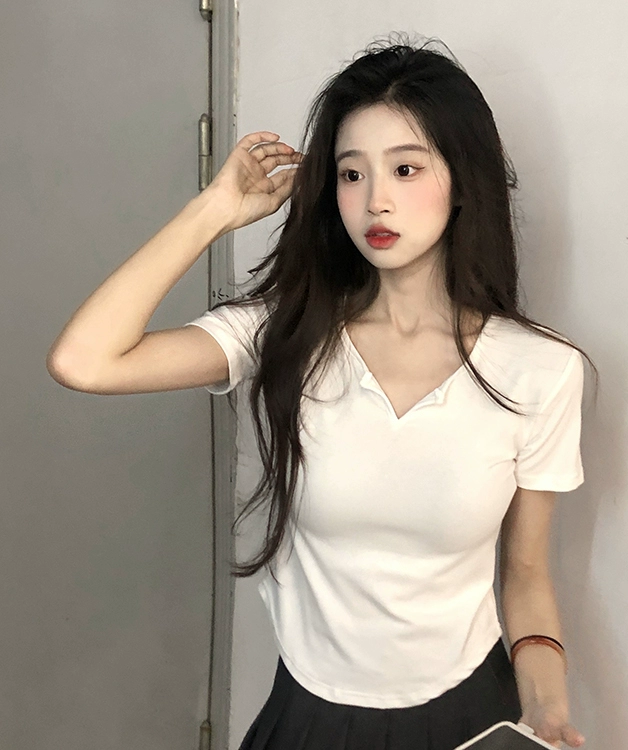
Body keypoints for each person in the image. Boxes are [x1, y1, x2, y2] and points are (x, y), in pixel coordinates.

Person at [47, 32, 596, 750]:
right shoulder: (283, 332)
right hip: (310, 717)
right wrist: (215, 210)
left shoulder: (541, 369)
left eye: (406, 168)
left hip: (470, 711)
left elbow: (524, 574)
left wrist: (548, 711)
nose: (375, 200)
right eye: (350, 173)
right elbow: (85, 361)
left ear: (464, 180)